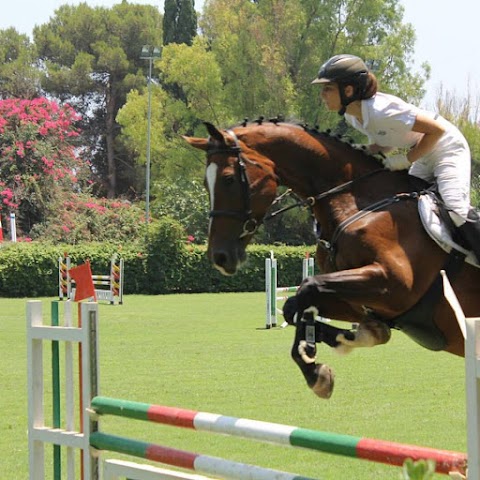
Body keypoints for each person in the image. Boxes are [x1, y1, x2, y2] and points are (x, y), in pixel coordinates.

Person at [311, 53, 480, 262]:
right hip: (423, 150)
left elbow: (436, 131)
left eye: (327, 88)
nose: (322, 95)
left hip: (446, 146)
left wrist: (406, 160)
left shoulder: (381, 111)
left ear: (348, 90)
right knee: (408, 204)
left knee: (456, 209)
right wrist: (363, 151)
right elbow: (388, 140)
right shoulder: (353, 117)